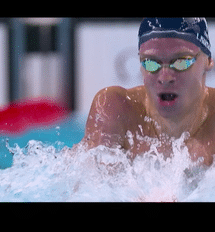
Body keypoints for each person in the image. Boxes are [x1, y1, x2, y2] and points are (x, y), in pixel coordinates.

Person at [83, 18, 215, 166]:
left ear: (208, 61)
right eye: (151, 63)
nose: (165, 77)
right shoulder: (116, 110)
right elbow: (89, 186)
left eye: (181, 62)